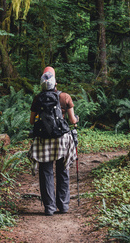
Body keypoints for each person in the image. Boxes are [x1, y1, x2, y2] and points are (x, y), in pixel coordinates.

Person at [29, 66, 79, 216]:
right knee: (63, 170)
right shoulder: (64, 97)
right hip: (61, 139)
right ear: (55, 81)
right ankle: (63, 205)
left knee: (46, 172)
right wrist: (76, 120)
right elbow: (72, 120)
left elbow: (32, 121)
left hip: (43, 140)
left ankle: (49, 207)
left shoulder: (38, 99)